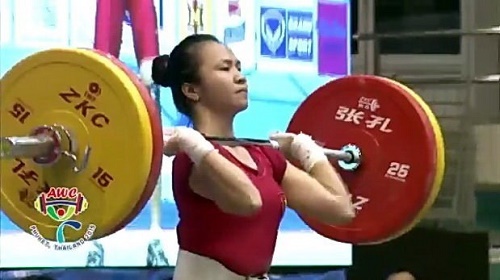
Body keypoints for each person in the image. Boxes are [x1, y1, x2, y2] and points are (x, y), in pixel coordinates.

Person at [140, 34, 355, 280]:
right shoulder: (192, 162)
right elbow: (248, 201)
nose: (240, 77)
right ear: (191, 90)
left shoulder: (263, 156)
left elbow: (340, 210)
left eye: (239, 67)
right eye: (225, 68)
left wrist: (307, 151)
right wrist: (193, 143)